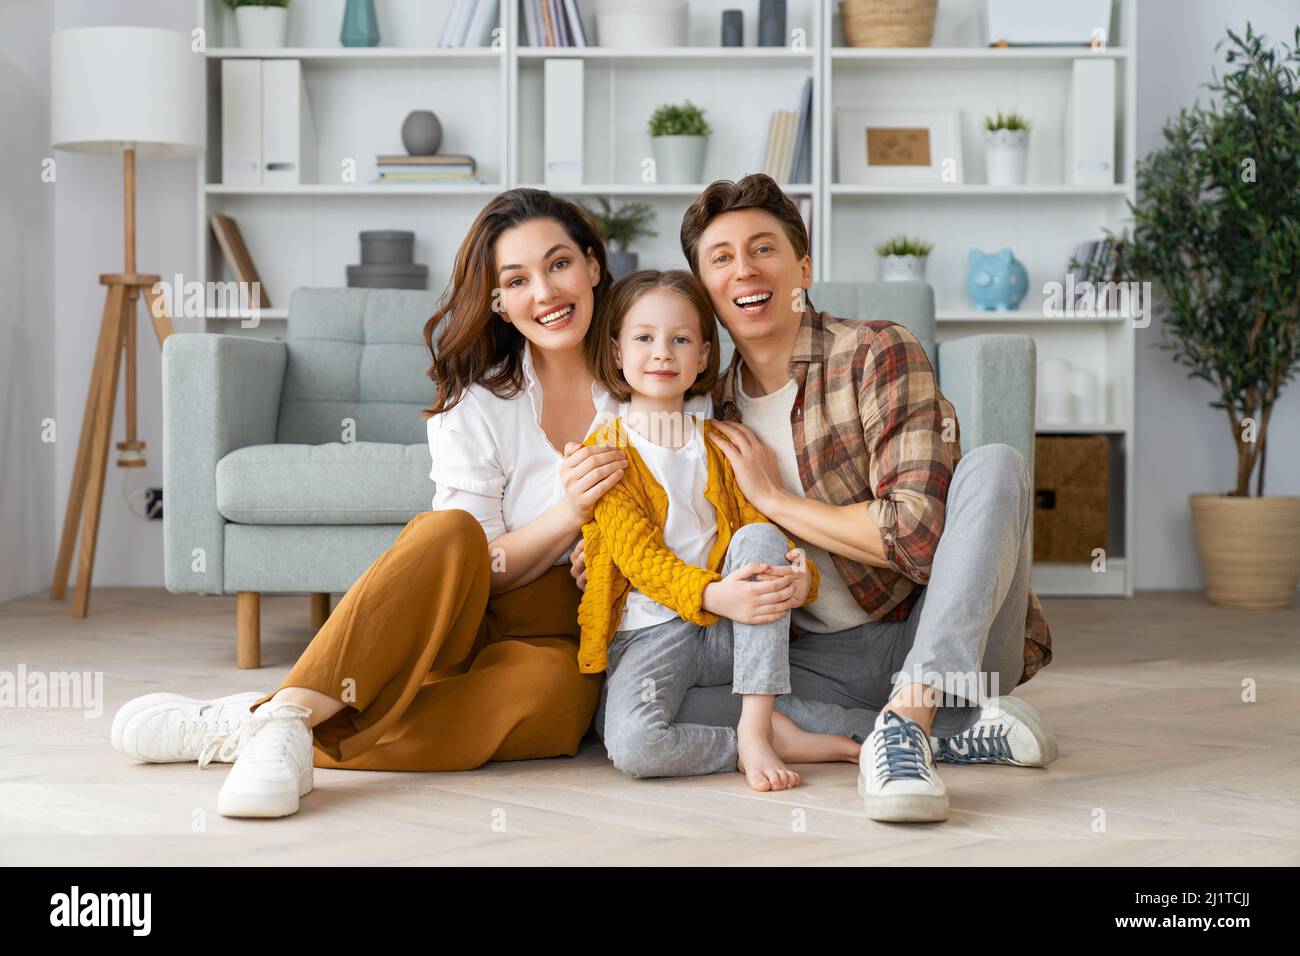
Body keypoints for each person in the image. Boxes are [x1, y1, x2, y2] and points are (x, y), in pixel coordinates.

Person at [111, 188, 676, 818]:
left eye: (559, 264)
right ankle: (293, 709)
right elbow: (483, 562)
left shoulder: (653, 375)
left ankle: (264, 723)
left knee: (556, 701)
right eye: (517, 279)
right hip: (468, 611)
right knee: (450, 532)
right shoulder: (478, 405)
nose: (544, 292)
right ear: (497, 300)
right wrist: (567, 516)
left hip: (565, 624)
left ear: (594, 265)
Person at [572, 173, 1058, 823]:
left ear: (803, 265)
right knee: (629, 717)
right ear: (705, 294)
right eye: (721, 259)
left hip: (926, 631)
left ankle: (911, 717)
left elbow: (915, 540)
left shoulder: (874, 352)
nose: (744, 270)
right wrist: (596, 550)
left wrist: (775, 498)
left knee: (997, 465)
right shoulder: (705, 408)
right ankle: (948, 733)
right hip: (805, 659)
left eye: (763, 248)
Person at [576, 269, 865, 791]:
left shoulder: (725, 444)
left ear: (704, 356)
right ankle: (761, 739)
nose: (663, 353)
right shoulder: (607, 455)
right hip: (649, 636)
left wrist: (802, 582)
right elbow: (639, 559)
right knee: (633, 743)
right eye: (644, 338)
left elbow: (763, 531)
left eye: (680, 339)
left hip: (732, 634)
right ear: (617, 351)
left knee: (759, 541)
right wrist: (715, 595)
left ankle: (756, 729)